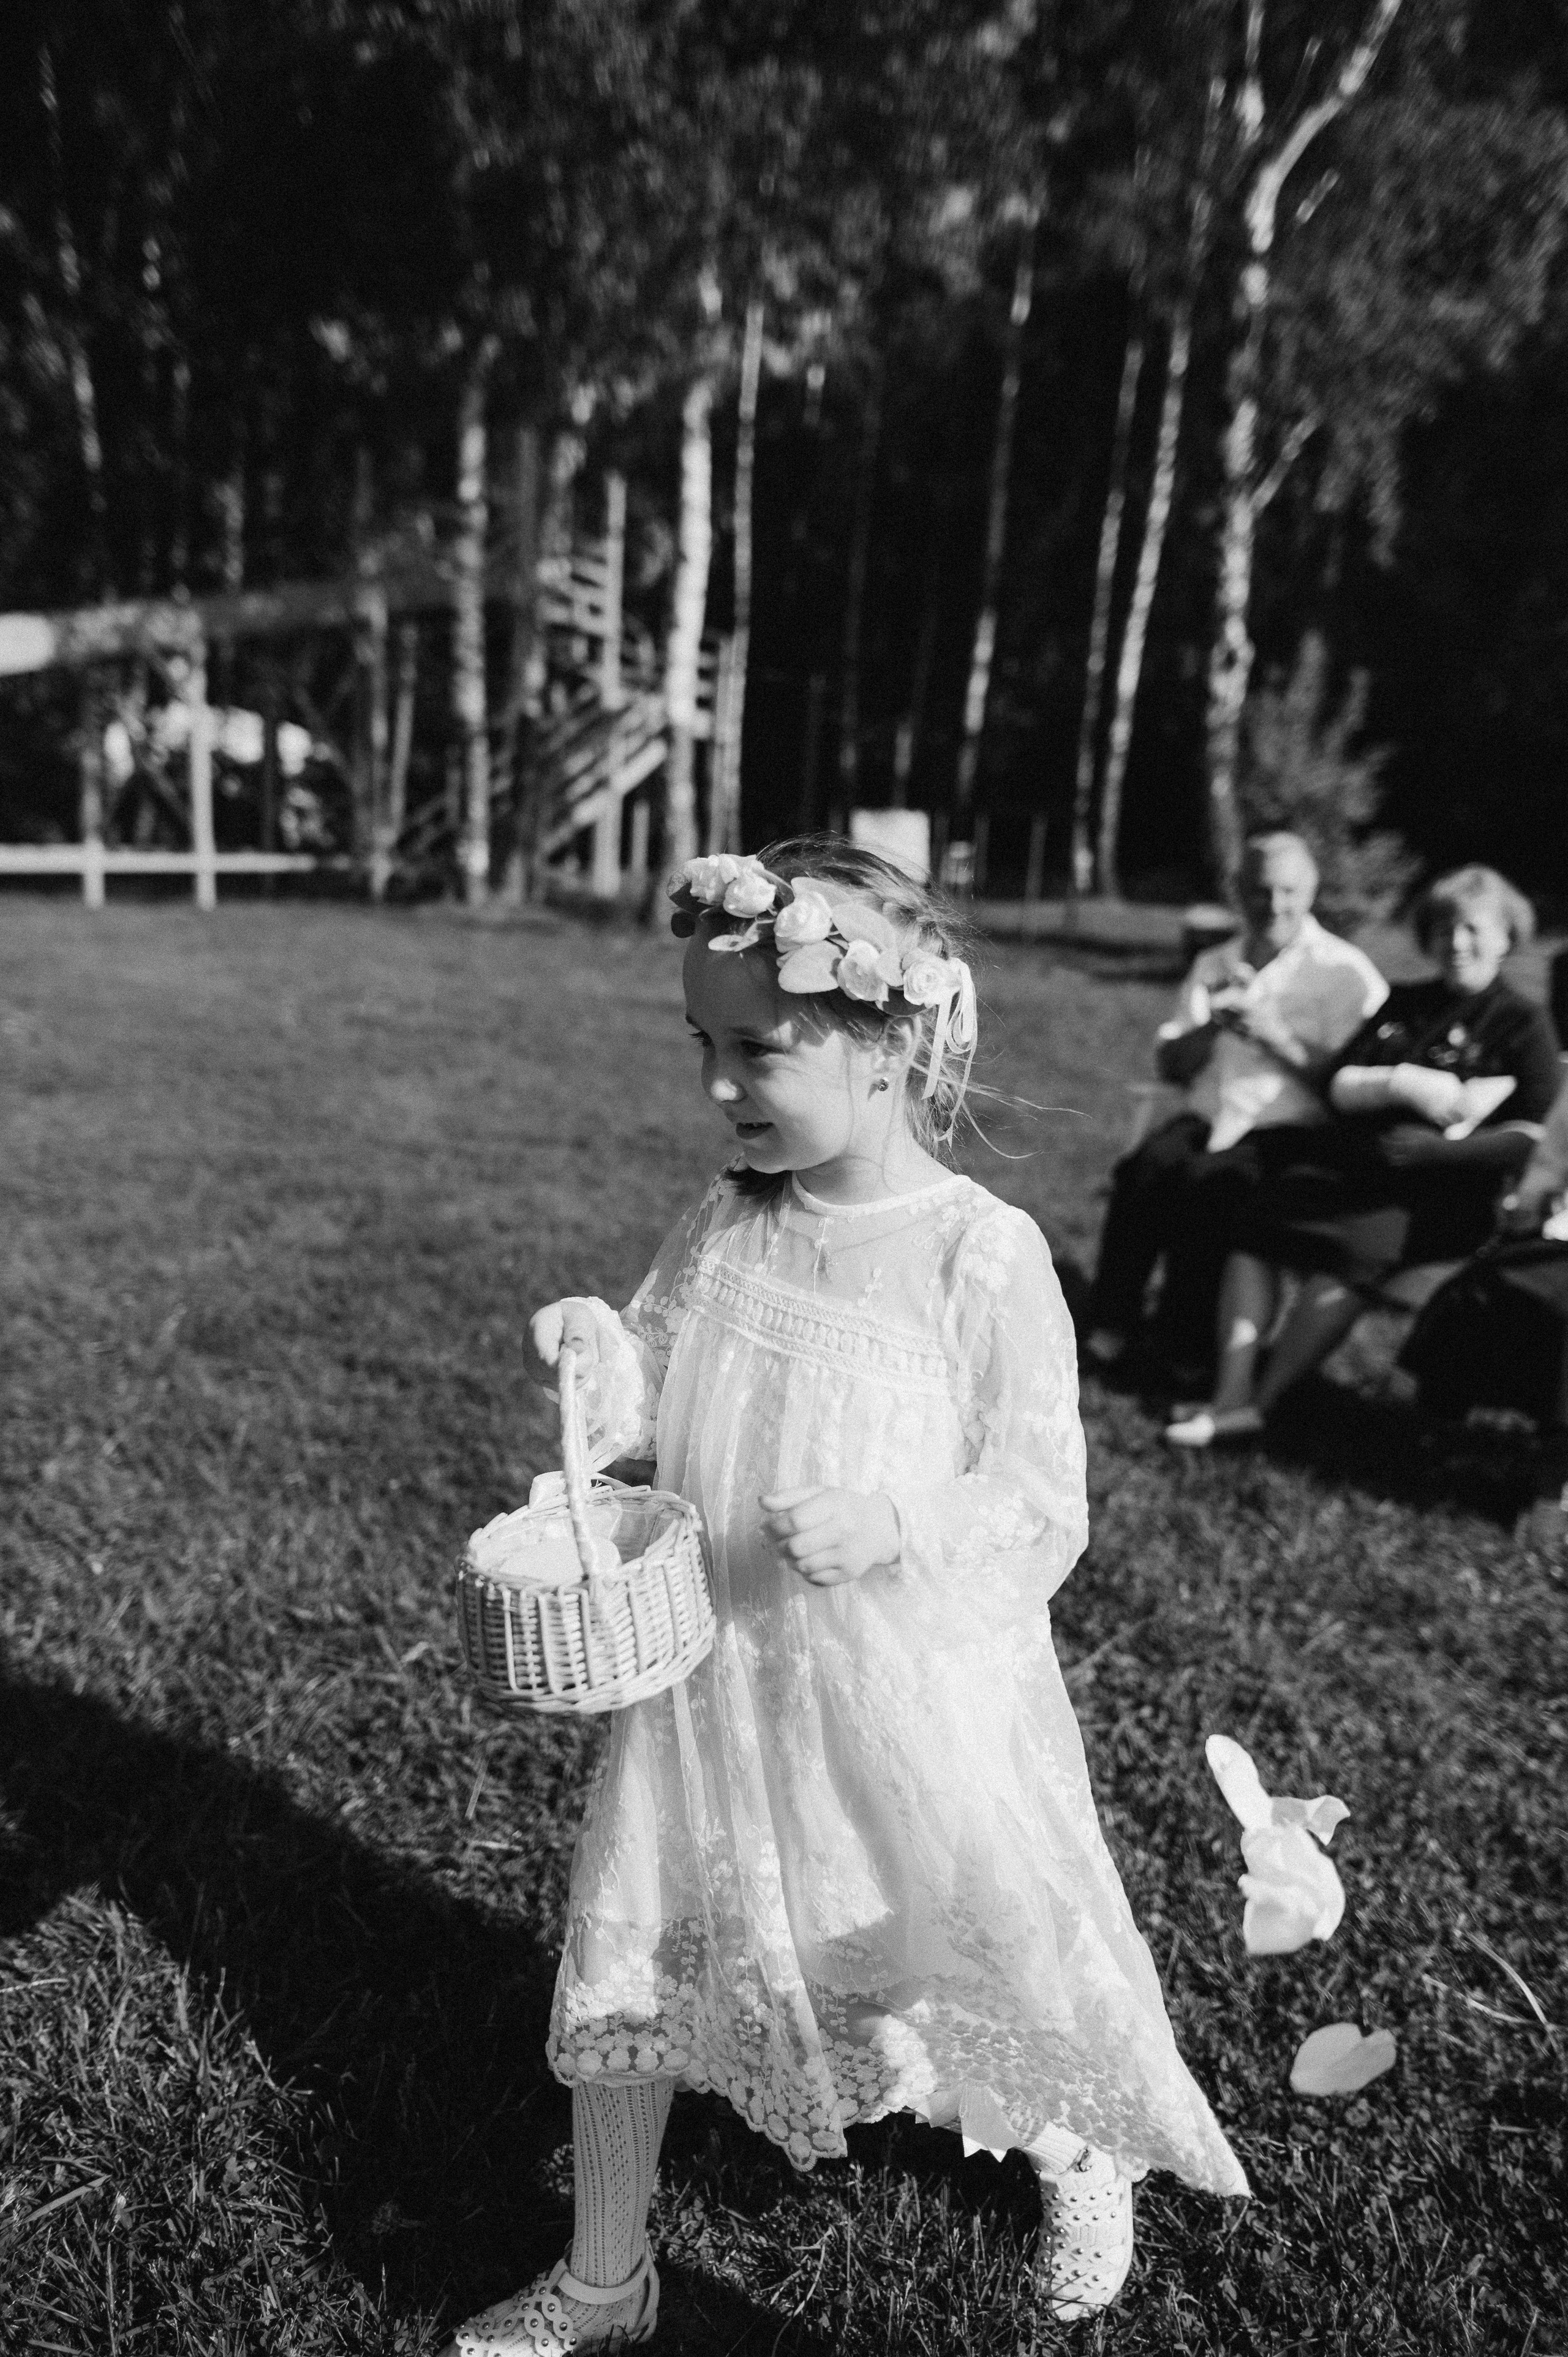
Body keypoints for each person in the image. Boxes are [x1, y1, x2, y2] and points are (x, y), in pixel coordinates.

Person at [442, 838, 1246, 2357]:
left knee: (963, 1936)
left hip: (895, 1691)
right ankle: (609, 2273)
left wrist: (891, 1517)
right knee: (638, 1942)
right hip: (712, 1681)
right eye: (702, 1045)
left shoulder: (976, 1254)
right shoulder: (733, 1213)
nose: (717, 1085)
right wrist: (590, 1348)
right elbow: (644, 1383)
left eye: (755, 1048)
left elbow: (1034, 1497)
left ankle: (1078, 2152)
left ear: (886, 1045)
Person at [1167, 865, 1562, 1448]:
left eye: (1475, 930)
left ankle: (1263, 1405)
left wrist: (1439, 1151)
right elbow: (1335, 1083)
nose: (1457, 943)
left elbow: (1537, 1133)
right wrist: (1396, 1082)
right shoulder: (1404, 1002)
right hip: (1354, 1170)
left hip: (1444, 1194)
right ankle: (1231, 1393)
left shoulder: (1522, 1024)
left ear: (1507, 937)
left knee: (1346, 1257)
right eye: (1446, 928)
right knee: (1255, 1231)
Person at [1083, 833, 1387, 1383]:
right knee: (1143, 1172)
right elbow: (1171, 1064)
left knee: (1214, 1188)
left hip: (1288, 1127)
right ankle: (1112, 1325)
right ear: (1238, 892)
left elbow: (1354, 1086)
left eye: (1289, 892)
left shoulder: (1345, 972)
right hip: (1207, 1114)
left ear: (1311, 890)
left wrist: (1275, 1036)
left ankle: (1186, 1347)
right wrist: (1213, 1025)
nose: (1274, 906)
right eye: (1260, 891)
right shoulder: (1214, 962)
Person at [1398, 1074, 1568, 1552]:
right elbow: (1553, 1158)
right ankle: (1442, 1430)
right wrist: (1529, 1199)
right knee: (1480, 1289)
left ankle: (1554, 1487)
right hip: (1557, 1239)